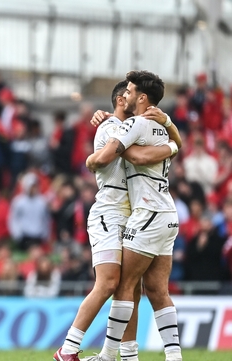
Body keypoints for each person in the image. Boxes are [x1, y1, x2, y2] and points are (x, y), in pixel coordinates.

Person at [54, 79, 183, 361]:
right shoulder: (115, 127)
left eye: (131, 90)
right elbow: (108, 157)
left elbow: (117, 155)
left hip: (138, 214)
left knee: (131, 287)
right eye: (125, 92)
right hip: (111, 213)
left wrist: (92, 159)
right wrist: (173, 141)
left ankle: (125, 356)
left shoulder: (135, 126)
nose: (128, 95)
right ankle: (71, 349)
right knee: (113, 284)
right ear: (121, 101)